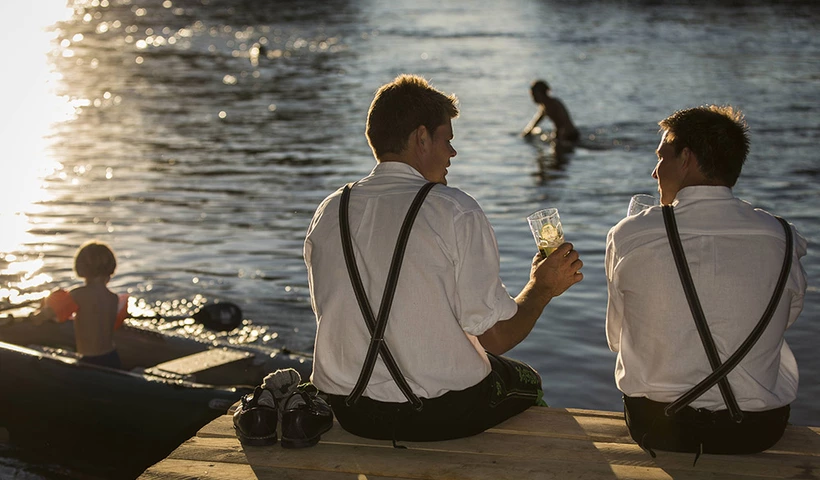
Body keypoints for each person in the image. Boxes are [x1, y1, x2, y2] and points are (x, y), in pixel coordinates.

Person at [304, 74, 584, 442]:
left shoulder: (330, 210)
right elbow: (496, 338)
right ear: (421, 137)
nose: (452, 154)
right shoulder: (455, 210)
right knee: (526, 380)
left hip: (350, 410)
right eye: (447, 140)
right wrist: (542, 287)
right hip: (438, 416)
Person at [605, 105, 808, 456]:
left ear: (686, 158)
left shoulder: (630, 234)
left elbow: (615, 338)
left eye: (661, 157)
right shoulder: (784, 238)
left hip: (656, 427)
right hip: (757, 430)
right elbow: (784, 319)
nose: (655, 173)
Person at [32, 241, 126, 369]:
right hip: (112, 357)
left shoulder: (78, 295)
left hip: (90, 361)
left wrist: (37, 314)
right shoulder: (114, 298)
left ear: (81, 268)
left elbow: (45, 316)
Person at [521, 79, 579, 147]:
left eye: (534, 94)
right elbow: (536, 122)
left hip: (569, 136)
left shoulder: (552, 105)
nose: (533, 98)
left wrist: (556, 140)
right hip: (565, 135)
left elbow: (560, 124)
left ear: (542, 93)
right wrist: (526, 133)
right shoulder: (544, 106)